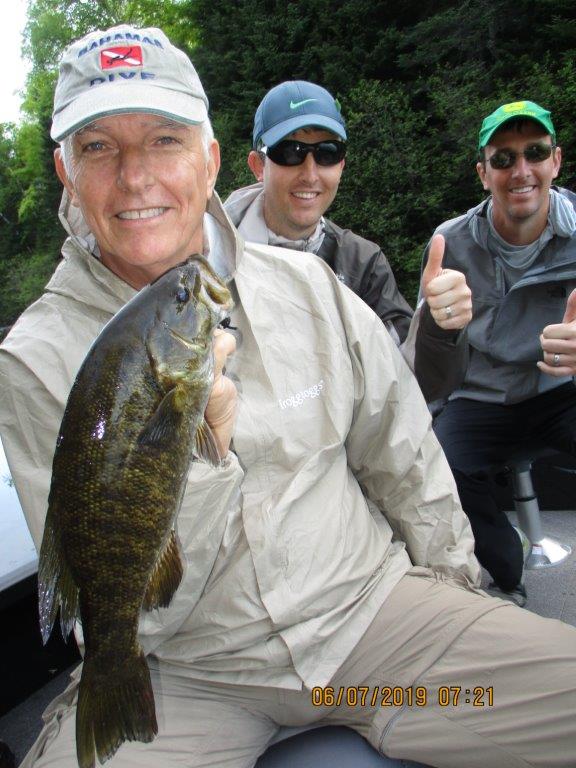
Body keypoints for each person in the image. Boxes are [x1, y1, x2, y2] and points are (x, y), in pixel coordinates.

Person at [0, 27, 575, 768]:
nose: (136, 176)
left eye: (165, 140)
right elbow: (120, 606)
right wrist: (201, 456)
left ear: (209, 159)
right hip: (185, 672)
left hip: (375, 623)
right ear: (66, 172)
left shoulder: (312, 286)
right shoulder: (34, 359)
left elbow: (404, 458)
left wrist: (458, 588)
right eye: (98, 147)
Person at [224, 80, 472, 402]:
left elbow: (410, 384)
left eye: (327, 153)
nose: (310, 174)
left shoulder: (362, 264)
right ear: (259, 165)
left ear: (341, 165)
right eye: (290, 152)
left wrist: (439, 328)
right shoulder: (213, 256)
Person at [428, 100, 576, 606]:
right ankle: (506, 574)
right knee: (438, 462)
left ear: (556, 161)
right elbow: (427, 361)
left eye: (535, 153)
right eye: (503, 159)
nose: (521, 170)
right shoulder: (449, 242)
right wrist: (438, 325)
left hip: (560, 390)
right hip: (481, 397)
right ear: (483, 173)